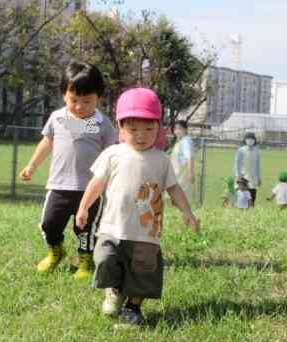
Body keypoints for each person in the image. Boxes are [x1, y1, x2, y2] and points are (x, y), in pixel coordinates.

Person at [75, 88, 199, 326]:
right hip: (113, 227)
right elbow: (96, 183)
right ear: (120, 128)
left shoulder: (161, 159)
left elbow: (174, 189)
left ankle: (133, 308)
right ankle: (114, 290)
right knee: (104, 259)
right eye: (133, 129)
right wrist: (83, 208)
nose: (141, 135)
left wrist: (187, 212)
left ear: (159, 128)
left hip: (146, 232)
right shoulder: (113, 154)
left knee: (142, 272)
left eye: (149, 128)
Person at [20, 61, 118, 280]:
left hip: (90, 189)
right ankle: (56, 251)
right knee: (48, 224)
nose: (80, 107)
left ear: (98, 98)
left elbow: (112, 153)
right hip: (59, 186)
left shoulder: (102, 124)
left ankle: (85, 260)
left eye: (87, 101)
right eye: (74, 100)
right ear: (64, 94)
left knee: (85, 230)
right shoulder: (57, 119)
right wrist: (32, 166)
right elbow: (47, 142)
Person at [170, 120, 195, 202]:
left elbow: (189, 157)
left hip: (183, 173)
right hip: (177, 173)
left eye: (180, 128)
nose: (177, 131)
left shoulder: (186, 141)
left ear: (185, 130)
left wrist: (190, 173)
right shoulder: (180, 141)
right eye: (175, 129)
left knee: (181, 197)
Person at [234, 132, 261, 206]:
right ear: (245, 140)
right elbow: (237, 164)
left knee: (252, 198)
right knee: (241, 198)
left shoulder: (257, 151)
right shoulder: (241, 150)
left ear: (255, 140)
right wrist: (238, 175)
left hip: (253, 178)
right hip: (243, 178)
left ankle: (251, 211)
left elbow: (258, 166)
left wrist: (259, 178)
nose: (250, 140)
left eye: (252, 139)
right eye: (248, 138)